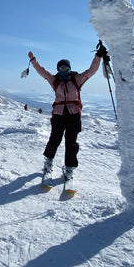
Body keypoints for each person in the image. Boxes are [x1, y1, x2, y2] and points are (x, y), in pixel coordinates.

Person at [27, 43, 108, 182]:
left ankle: (69, 168)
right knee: (55, 139)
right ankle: (48, 163)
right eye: (60, 67)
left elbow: (91, 71)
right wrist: (33, 60)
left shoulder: (77, 79)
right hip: (58, 115)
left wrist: (98, 55)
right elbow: (43, 72)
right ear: (58, 69)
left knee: (71, 143)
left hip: (74, 116)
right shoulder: (55, 80)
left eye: (65, 67)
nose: (63, 69)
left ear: (69, 68)